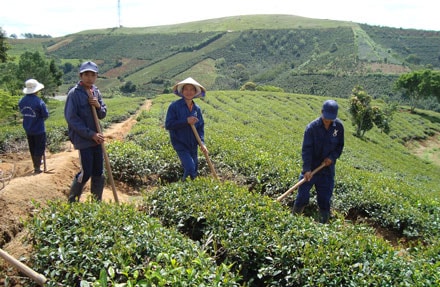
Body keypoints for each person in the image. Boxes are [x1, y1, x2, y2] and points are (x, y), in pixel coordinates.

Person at [292, 99, 344, 223]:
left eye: (331, 118)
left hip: (326, 171)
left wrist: (331, 158)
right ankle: (293, 219)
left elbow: (339, 147)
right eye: (326, 118)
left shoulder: (339, 127)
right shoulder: (311, 128)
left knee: (325, 200)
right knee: (302, 196)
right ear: (321, 112)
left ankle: (323, 225)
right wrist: (307, 170)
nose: (328, 121)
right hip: (311, 168)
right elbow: (307, 150)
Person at [64, 61, 107, 202]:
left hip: (97, 137)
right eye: (86, 74)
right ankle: (72, 201)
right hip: (84, 139)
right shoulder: (74, 94)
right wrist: (91, 134)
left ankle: (96, 203)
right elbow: (72, 119)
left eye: (92, 75)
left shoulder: (96, 92)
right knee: (86, 172)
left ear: (96, 76)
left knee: (98, 172)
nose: (89, 77)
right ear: (80, 75)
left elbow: (102, 114)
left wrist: (98, 106)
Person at [165, 77, 208, 180]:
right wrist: (186, 121)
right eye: (186, 89)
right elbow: (168, 125)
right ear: (182, 91)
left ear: (195, 92)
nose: (189, 92)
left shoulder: (197, 109)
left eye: (191, 89)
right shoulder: (174, 106)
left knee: (194, 169)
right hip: (180, 143)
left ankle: (191, 191)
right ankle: (184, 191)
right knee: (190, 167)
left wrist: (202, 143)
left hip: (193, 144)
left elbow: (200, 127)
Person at [18, 79, 49, 174]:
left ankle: (36, 164)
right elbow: (45, 114)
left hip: (28, 128)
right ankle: (37, 167)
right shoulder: (39, 102)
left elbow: (22, 112)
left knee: (32, 147)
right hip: (39, 129)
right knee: (39, 147)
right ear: (37, 90)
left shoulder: (22, 101)